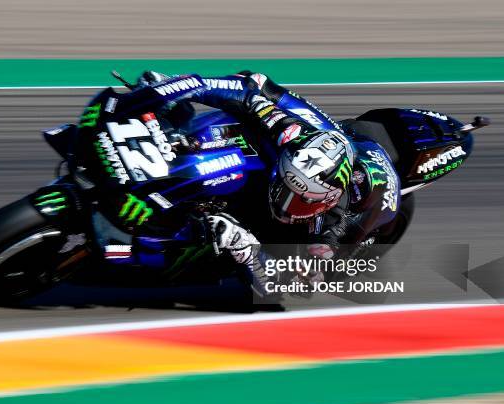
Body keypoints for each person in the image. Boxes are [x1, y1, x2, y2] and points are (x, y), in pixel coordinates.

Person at [130, 71, 401, 296]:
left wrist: (247, 249)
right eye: (285, 188)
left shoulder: (330, 231)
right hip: (329, 138)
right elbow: (247, 92)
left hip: (365, 198)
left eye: (298, 199)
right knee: (257, 83)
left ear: (325, 201)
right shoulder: (289, 133)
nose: (284, 204)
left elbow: (299, 286)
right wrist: (177, 87)